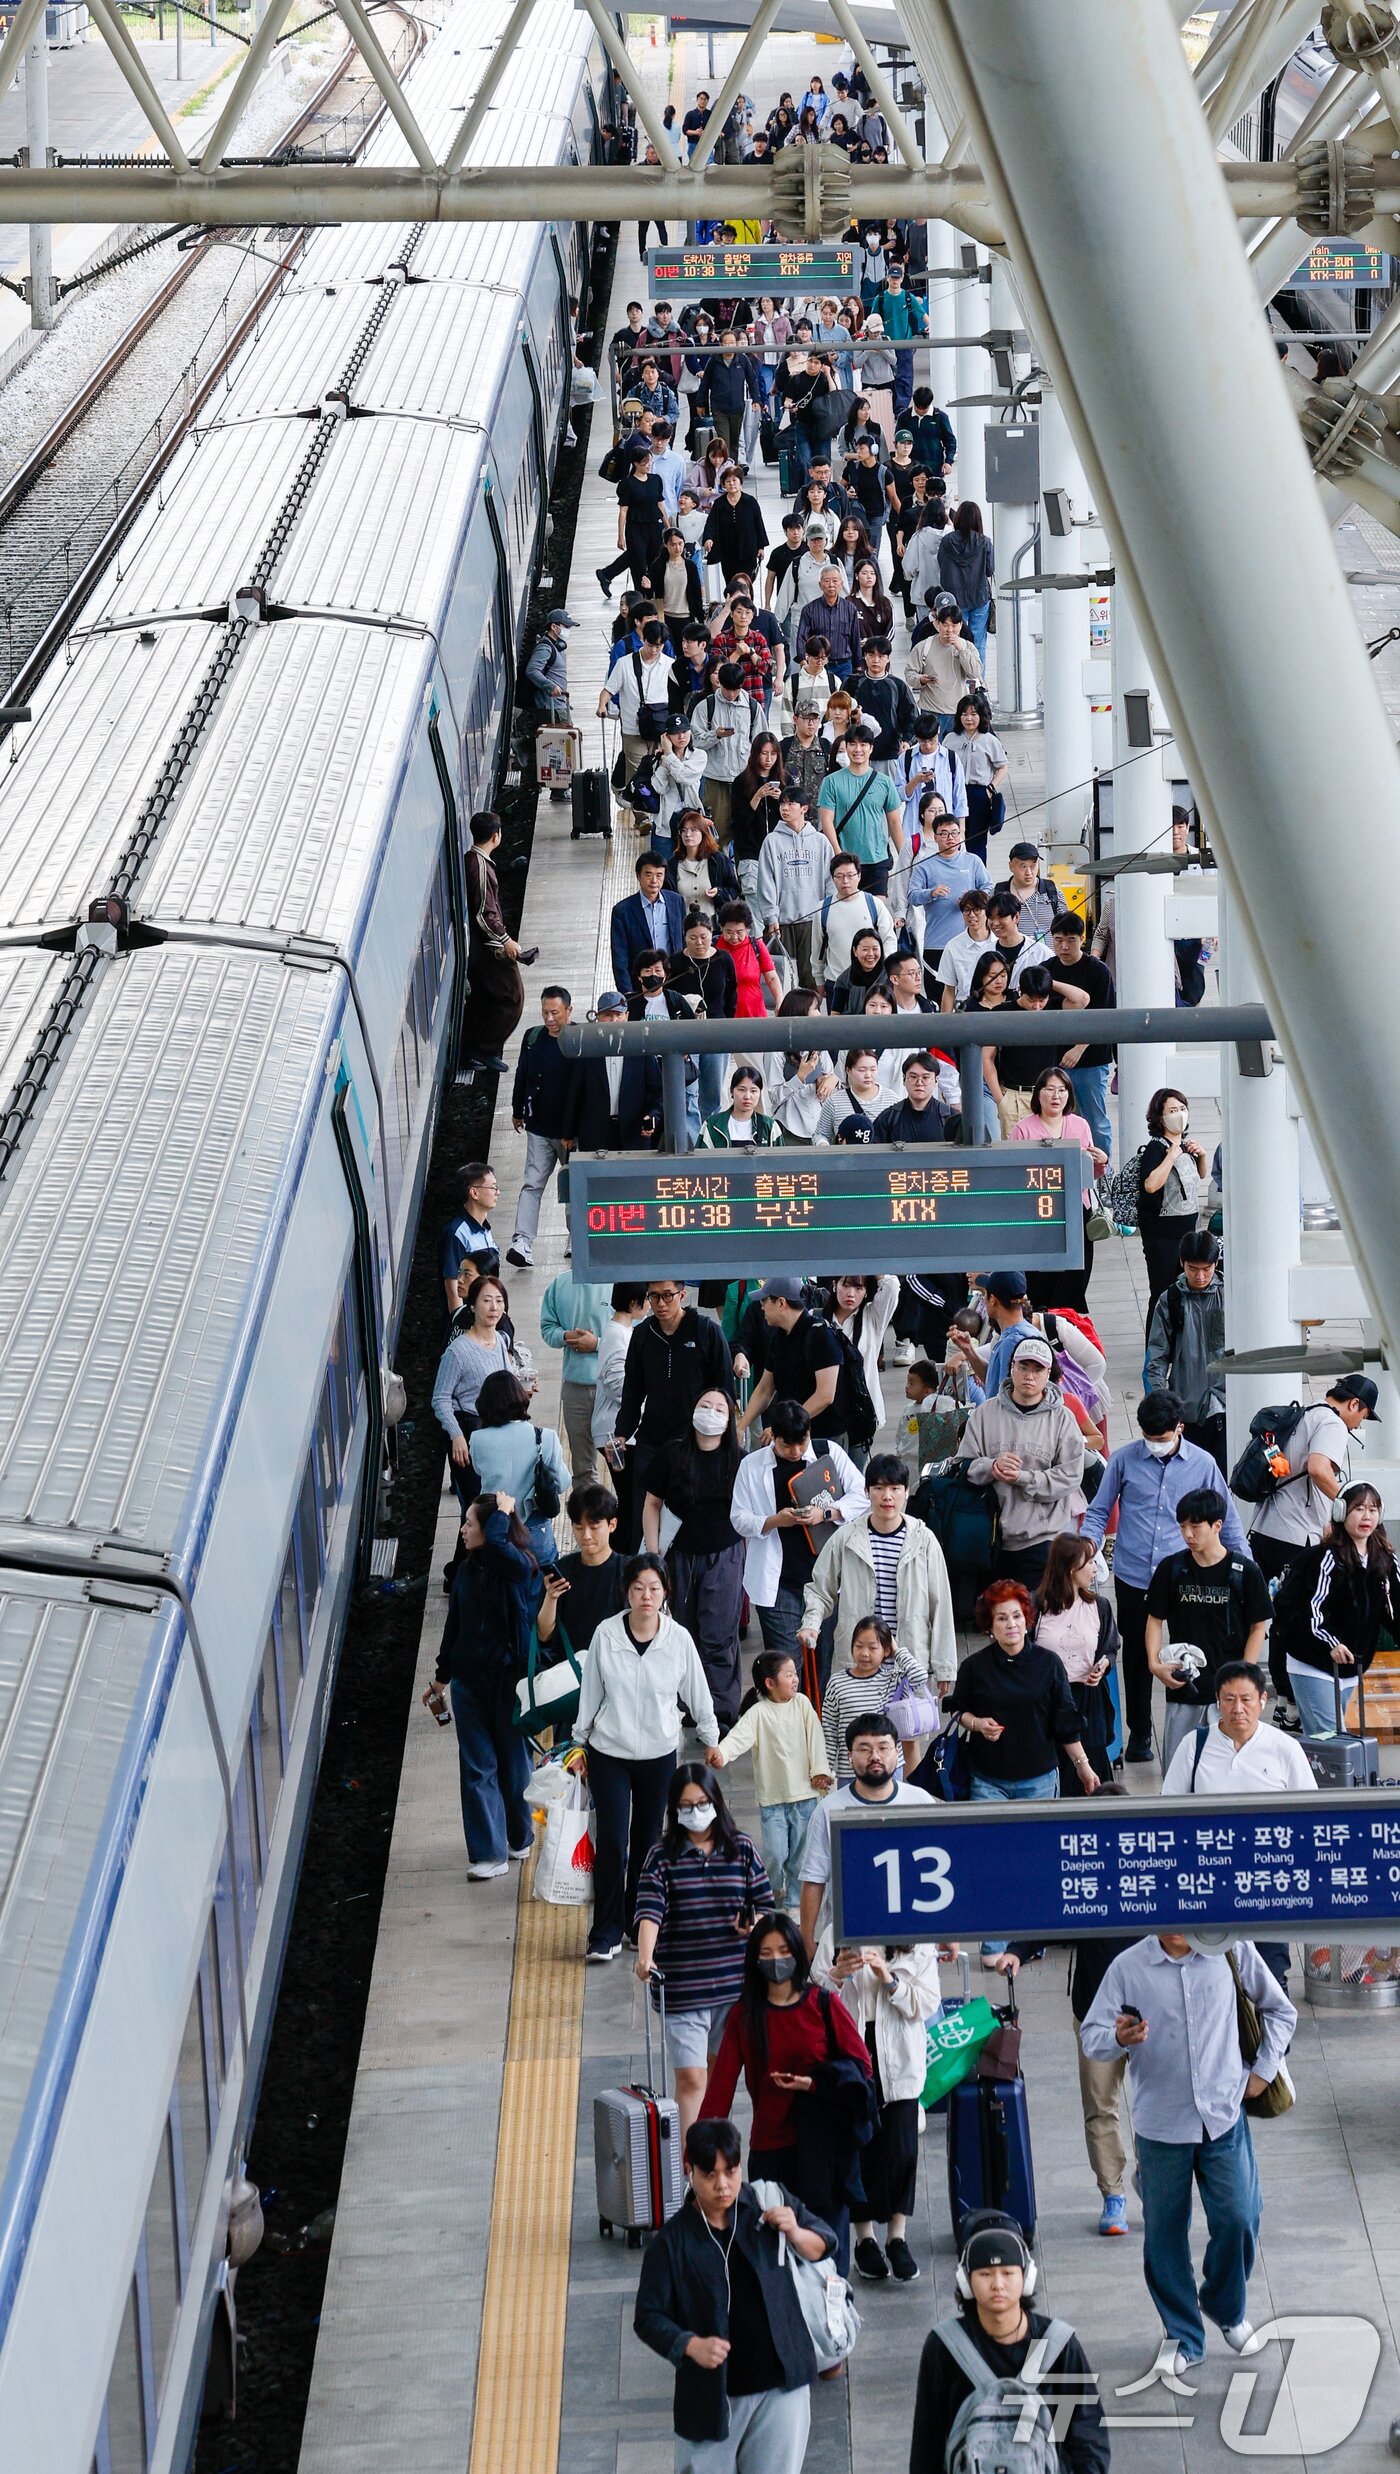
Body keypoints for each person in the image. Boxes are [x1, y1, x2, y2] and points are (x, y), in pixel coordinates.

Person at [1081, 1931, 1296, 2374]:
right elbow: (1092, 2036)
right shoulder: (1128, 1966)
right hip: (1161, 2125)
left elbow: (1281, 2010)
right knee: (1164, 2237)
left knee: (1240, 2216)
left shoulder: (1231, 1950)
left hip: (1223, 2113)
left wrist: (1263, 2070)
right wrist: (1120, 2038)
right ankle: (1184, 2337)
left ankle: (1224, 2304)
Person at [634, 2115, 837, 2474]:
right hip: (712, 2397)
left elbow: (824, 2243)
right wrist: (689, 2345)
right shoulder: (672, 2243)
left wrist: (794, 2232)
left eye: (731, 2171)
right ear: (690, 2170)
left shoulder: (767, 2203)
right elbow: (648, 2315)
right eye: (710, 2174)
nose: (723, 2185)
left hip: (781, 2385)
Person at [1081, 1389, 1250, 1765]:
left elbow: (1230, 1520)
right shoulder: (1123, 1460)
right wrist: (1086, 1548)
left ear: (1179, 1428)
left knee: (1193, 1654)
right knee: (1139, 1656)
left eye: (1162, 1438)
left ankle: (1196, 1728)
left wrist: (1246, 1570)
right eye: (1149, 1439)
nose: (1155, 1445)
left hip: (1187, 1577)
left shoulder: (1203, 1464)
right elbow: (1098, 1512)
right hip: (1135, 1576)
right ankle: (1140, 1731)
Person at [701, 1912, 871, 2272]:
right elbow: (720, 2090)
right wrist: (699, 2151)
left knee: (827, 2253)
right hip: (772, 2148)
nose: (776, 1961)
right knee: (776, 2256)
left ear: (797, 1952)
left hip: (825, 2149)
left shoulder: (824, 2005)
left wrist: (811, 2084)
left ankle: (832, 2321)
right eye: (765, 1953)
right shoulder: (744, 2016)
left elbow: (861, 2070)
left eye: (782, 1950)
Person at [575, 1554, 719, 1962]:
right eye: (638, 1588)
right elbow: (591, 1693)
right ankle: (604, 1932)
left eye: (654, 1589)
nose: (646, 1596)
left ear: (665, 1593)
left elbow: (697, 1694)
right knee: (613, 1841)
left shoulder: (678, 1640)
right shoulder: (606, 1635)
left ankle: (641, 1926)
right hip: (609, 1752)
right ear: (627, 1591)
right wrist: (578, 1743)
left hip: (658, 1754)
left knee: (648, 1841)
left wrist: (711, 1739)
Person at [910, 2215, 1109, 2473]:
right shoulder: (944, 2347)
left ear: (1026, 2277)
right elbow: (929, 2441)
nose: (998, 2285)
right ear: (966, 2282)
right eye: (985, 2274)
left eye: (1008, 2273)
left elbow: (1085, 2436)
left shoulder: (1059, 2345)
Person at [634, 1768, 773, 2132]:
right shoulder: (661, 1857)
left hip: (734, 1987)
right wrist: (645, 1957)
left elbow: (767, 1908)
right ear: (673, 1810)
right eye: (685, 1806)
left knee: (717, 2079)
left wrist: (752, 1924)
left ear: (717, 1803)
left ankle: (710, 2160)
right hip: (683, 1989)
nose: (695, 1812)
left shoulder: (741, 1849)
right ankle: (690, 2168)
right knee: (693, 2078)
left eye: (702, 1803)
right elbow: (650, 1911)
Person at [1160, 1661, 1317, 1986]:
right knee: (1213, 1979)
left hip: (1268, 1886)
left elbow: (1309, 1817)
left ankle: (1274, 2038)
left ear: (1263, 1700)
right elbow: (1168, 1814)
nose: (1238, 1709)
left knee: (1270, 1978)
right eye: (1229, 1700)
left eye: (1246, 1699)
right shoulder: (1194, 1746)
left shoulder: (1284, 1749)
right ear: (1218, 1701)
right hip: (1210, 1884)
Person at [812, 1927, 944, 2285]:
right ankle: (865, 2238)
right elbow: (815, 1995)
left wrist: (889, 1981)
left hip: (899, 2052)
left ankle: (897, 2236)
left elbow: (927, 2002)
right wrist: (838, 1974)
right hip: (852, 2048)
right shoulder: (837, 1931)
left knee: (902, 2148)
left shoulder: (914, 1933)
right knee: (858, 2147)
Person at [424, 1492, 542, 1879]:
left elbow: (498, 1547)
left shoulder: (518, 1566)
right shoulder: (465, 1572)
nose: (462, 1529)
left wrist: (504, 1512)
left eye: (470, 1523)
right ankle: (489, 1853)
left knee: (513, 1763)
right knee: (478, 1767)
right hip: (470, 1684)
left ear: (495, 1528)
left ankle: (519, 1836)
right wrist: (442, 1678)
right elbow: (453, 1625)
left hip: (509, 1680)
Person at [799, 1454, 956, 1694]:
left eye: (895, 1488)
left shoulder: (923, 1540)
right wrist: (811, 1624)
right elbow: (820, 1589)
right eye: (879, 1488)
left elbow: (941, 1604)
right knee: (858, 1729)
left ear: (905, 1491)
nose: (887, 1496)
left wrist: (944, 1666)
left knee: (905, 1729)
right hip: (858, 1662)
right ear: (867, 1491)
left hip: (907, 1661)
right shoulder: (846, 1537)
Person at [730, 1397, 867, 1662]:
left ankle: (819, 1706)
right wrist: (773, 1521)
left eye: (801, 1442)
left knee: (824, 1661)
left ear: (809, 1433)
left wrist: (826, 1513)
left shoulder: (828, 1453)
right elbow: (738, 1518)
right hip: (778, 1582)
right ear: (772, 1436)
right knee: (785, 1666)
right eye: (786, 1444)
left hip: (825, 1578)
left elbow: (862, 1495)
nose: (795, 1451)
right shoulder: (751, 1466)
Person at [644, 1388, 748, 1728]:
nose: (711, 1412)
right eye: (704, 1405)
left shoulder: (739, 1460)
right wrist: (654, 1555)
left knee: (719, 1634)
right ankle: (688, 1704)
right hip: (680, 1557)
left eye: (720, 1408)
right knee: (684, 1632)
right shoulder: (672, 1454)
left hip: (725, 1555)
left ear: (729, 1419)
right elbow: (652, 1505)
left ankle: (719, 1709)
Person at [948, 1577, 1100, 1811]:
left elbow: (1066, 1721)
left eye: (1017, 1616)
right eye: (1002, 1618)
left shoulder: (1049, 1663)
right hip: (987, 1780)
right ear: (989, 1625)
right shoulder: (974, 1666)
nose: (1011, 1624)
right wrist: (977, 1724)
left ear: (1027, 1620)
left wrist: (1083, 1766)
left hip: (1039, 1778)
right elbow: (957, 1710)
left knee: (1038, 1846)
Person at [1266, 1480, 1399, 1740]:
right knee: (1331, 1739)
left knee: (1329, 1740)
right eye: (1358, 1508)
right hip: (1313, 1661)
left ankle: (1315, 1778)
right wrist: (1332, 1642)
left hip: (1351, 1664)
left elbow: (1393, 1608)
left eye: (1373, 1510)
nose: (1366, 1516)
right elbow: (1311, 1609)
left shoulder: (1384, 1558)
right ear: (1340, 1512)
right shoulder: (1326, 1558)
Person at [955, 1334, 1086, 1591]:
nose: (1029, 1375)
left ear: (1048, 1373)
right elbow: (963, 1465)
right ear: (1011, 1367)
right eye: (1023, 1367)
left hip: (1042, 1539)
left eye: (1038, 1369)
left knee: (1037, 1619)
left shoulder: (1063, 1418)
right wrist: (991, 1467)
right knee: (998, 1621)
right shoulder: (985, 1413)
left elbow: (1070, 1476)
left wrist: (1024, 1478)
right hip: (990, 1537)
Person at [798, 1712, 935, 1956]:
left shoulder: (920, 1801)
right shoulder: (829, 1809)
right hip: (849, 1941)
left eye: (883, 1747)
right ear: (849, 1756)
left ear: (896, 1752)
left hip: (914, 1937)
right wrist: (807, 1940)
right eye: (864, 1749)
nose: (875, 1757)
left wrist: (948, 1933)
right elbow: (814, 1879)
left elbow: (940, 1868)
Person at [709, 1649, 831, 1909]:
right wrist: (722, 1753)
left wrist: (821, 1770)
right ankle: (770, 1889)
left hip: (805, 1795)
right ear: (770, 1683)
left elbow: (816, 1739)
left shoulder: (802, 1705)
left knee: (800, 1856)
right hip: (772, 1799)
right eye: (789, 1675)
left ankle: (795, 1903)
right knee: (775, 1853)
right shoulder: (758, 1713)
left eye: (795, 1674)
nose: (795, 1679)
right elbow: (738, 1737)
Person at [616, 1278, 735, 1511]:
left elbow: (724, 1391)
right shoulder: (642, 1335)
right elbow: (633, 1390)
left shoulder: (707, 1331)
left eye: (667, 1295)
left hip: (694, 1440)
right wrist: (622, 1432)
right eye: (654, 1296)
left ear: (682, 1295)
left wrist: (724, 1437)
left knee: (690, 1512)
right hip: (652, 1439)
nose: (661, 1303)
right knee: (644, 1509)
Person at [1033, 1533, 1120, 1793]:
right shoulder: (1036, 1606)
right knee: (1053, 1765)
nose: (1095, 1567)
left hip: (1087, 1699)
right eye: (1090, 1562)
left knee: (1093, 1769)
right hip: (1047, 1700)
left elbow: (1110, 1649)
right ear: (1071, 1568)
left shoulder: (1100, 1606)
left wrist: (1103, 1665)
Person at [466, 1372, 569, 1567]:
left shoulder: (477, 1439)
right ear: (521, 1397)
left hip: (496, 1528)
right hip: (536, 1531)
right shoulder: (546, 1437)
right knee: (543, 1588)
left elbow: (479, 1471)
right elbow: (562, 1484)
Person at [506, 988, 576, 1269]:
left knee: (572, 1186)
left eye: (555, 1013)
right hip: (539, 1127)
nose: (549, 1018)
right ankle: (522, 1241)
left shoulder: (581, 1039)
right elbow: (522, 1072)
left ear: (568, 1011)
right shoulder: (533, 1038)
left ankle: (577, 1237)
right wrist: (516, 1109)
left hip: (572, 1132)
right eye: (545, 1012)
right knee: (532, 1184)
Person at [1144, 1232, 1227, 1468]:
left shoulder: (1231, 1294)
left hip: (1228, 1406)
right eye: (1193, 1269)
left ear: (1216, 1264)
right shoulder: (1169, 1301)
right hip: (1188, 1411)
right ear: (1181, 1262)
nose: (1200, 1276)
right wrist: (1161, 1404)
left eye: (1207, 1269)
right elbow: (1157, 1358)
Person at [432, 1272, 518, 1495]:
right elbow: (440, 1398)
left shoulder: (499, 1340)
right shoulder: (457, 1352)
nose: (494, 1308)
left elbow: (505, 1383)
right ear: (471, 1306)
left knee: (497, 1502)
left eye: (499, 1301)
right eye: (486, 1300)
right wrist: (456, 1435)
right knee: (477, 1507)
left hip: (499, 1429)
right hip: (472, 1432)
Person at [820, 1616, 932, 1781]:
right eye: (859, 1646)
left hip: (889, 1767)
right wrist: (825, 1769)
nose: (864, 1653)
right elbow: (829, 1732)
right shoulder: (837, 1682)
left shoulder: (893, 1679)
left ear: (886, 1651)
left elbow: (920, 1676)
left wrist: (896, 1650)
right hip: (851, 1770)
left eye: (873, 1648)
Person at [1137, 1086, 1210, 1335]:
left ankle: (1180, 1342)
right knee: (1162, 1293)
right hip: (1162, 1236)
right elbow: (1150, 1184)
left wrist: (1200, 1156)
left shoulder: (1186, 1146)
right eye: (1172, 1110)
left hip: (1187, 1232)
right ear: (1159, 1117)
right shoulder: (1156, 1148)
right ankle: (1155, 1349)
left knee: (1186, 1291)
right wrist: (1170, 1156)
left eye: (1182, 1109)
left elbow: (1199, 1176)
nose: (1179, 1114)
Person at [1045, 908, 1115, 1160]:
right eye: (1058, 940)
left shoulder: (1098, 971)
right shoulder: (1046, 970)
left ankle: (1103, 1173)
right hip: (1054, 1059)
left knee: (1095, 1119)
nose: (1064, 946)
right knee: (1056, 1120)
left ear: (1082, 939)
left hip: (1091, 1060)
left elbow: (1103, 1016)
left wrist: (1078, 1048)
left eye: (1071, 940)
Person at [535, 1480, 627, 1668]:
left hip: (616, 1671)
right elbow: (544, 1635)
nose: (585, 1535)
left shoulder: (627, 1571)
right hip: (570, 1676)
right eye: (578, 1527)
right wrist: (550, 1599)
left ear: (612, 1525)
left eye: (594, 1527)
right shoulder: (562, 1571)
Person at [459, 810, 523, 1075]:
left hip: (477, 946)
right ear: (496, 836)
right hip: (487, 948)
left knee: (485, 999)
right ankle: (484, 1050)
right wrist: (505, 940)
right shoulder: (480, 866)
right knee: (512, 997)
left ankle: (476, 1048)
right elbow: (484, 913)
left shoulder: (472, 860)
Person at [565, 989, 662, 1152]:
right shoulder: (587, 1051)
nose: (614, 1021)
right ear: (598, 1018)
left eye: (618, 1015)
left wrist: (652, 1116)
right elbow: (575, 1093)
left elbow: (657, 1091)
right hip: (595, 1135)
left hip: (634, 1134)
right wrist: (568, 1133)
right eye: (608, 1015)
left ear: (627, 1016)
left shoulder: (642, 1051)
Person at [754, 778, 828, 990]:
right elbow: (766, 881)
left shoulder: (820, 841)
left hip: (812, 918)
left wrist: (825, 913)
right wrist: (771, 916)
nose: (785, 808)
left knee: (811, 976)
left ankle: (811, 1019)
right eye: (782, 804)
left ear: (804, 808)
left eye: (791, 804)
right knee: (782, 978)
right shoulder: (772, 840)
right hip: (781, 920)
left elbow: (829, 880)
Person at [816, 721, 904, 896]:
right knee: (848, 913)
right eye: (853, 744)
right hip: (845, 861)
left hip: (877, 859)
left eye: (863, 744)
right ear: (846, 747)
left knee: (876, 912)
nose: (858, 749)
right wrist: (838, 853)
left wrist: (904, 856)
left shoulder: (884, 782)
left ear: (871, 748)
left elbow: (894, 822)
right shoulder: (831, 782)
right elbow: (827, 821)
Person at [538, 1271, 610, 1477]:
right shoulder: (560, 1284)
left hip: (612, 1387)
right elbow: (548, 1329)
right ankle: (588, 1509)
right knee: (582, 1466)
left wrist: (596, 1343)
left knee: (619, 1460)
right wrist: (565, 1336)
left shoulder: (616, 1281)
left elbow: (632, 1335)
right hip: (575, 1388)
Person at [907, 811, 990, 976]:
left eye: (954, 833)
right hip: (937, 943)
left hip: (972, 940)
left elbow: (989, 888)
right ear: (935, 837)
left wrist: (974, 897)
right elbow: (912, 896)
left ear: (960, 835)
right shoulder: (924, 866)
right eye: (943, 834)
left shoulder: (973, 861)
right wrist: (931, 893)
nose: (950, 838)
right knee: (938, 995)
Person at [692, 665, 761, 842]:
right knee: (717, 835)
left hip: (745, 779)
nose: (731, 695)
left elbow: (761, 743)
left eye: (736, 690)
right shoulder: (705, 706)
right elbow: (695, 743)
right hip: (716, 780)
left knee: (746, 833)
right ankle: (721, 868)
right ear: (719, 683)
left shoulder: (753, 707)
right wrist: (715, 735)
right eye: (728, 690)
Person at [904, 593, 984, 731]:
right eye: (945, 625)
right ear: (937, 624)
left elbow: (975, 672)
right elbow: (909, 673)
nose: (949, 630)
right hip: (930, 710)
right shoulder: (924, 646)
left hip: (958, 711)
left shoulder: (967, 646)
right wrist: (921, 679)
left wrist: (961, 649)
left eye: (954, 625)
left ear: (960, 625)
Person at [611, 850, 687, 994]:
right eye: (648, 874)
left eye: (659, 875)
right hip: (640, 983)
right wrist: (627, 993)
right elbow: (619, 956)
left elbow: (683, 942)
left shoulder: (676, 901)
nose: (654, 881)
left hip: (673, 980)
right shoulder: (622, 910)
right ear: (638, 876)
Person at [598, 440, 666, 598]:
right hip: (635, 528)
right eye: (644, 463)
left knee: (652, 558)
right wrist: (620, 536)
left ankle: (606, 574)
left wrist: (668, 528)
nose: (648, 465)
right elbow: (623, 511)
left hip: (653, 526)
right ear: (635, 463)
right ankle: (642, 595)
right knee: (638, 561)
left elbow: (661, 505)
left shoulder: (656, 480)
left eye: (649, 462)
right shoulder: (627, 484)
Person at [727, 730, 785, 901]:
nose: (769, 759)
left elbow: (793, 820)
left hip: (779, 854)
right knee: (755, 909)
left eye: (773, 754)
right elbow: (739, 822)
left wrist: (782, 800)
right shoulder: (742, 782)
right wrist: (757, 796)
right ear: (755, 754)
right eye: (764, 753)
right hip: (751, 854)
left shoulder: (785, 780)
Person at [439, 1160, 500, 1315]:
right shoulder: (456, 1233)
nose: (497, 1192)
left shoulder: (485, 1230)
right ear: (474, 1193)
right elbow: (453, 1287)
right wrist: (460, 1326)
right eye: (493, 1187)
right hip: (471, 1324)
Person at [939, 500, 995, 655]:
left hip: (955, 598)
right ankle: (978, 677)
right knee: (978, 642)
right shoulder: (985, 542)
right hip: (980, 596)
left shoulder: (946, 541)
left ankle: (958, 676)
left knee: (954, 639)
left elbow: (941, 566)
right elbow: (990, 570)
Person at [716, 901, 783, 1028]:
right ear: (721, 928)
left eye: (740, 932)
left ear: (748, 929)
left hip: (753, 1013)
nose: (734, 937)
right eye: (729, 932)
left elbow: (772, 977)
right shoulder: (714, 947)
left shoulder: (756, 945)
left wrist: (779, 1002)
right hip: (723, 1016)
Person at [667, 812, 739, 923]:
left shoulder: (718, 860)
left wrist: (718, 892)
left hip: (712, 927)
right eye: (684, 830)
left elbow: (734, 889)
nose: (688, 834)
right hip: (682, 927)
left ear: (703, 833)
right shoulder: (672, 864)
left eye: (693, 830)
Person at [699, 341, 762, 466]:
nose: (730, 345)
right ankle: (724, 468)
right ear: (721, 344)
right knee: (724, 441)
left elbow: (752, 380)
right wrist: (701, 403)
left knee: (734, 442)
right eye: (726, 343)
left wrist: (756, 399)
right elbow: (705, 383)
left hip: (737, 407)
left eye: (732, 342)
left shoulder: (742, 359)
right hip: (719, 408)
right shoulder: (714, 360)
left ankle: (732, 467)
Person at [872, 1049, 954, 1145]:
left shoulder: (950, 1117)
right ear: (904, 1079)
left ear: (936, 1080)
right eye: (913, 1077)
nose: (919, 1083)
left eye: (926, 1077)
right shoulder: (888, 1118)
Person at [795, 566, 865, 678]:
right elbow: (801, 638)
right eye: (827, 581)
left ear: (841, 584)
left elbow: (855, 638)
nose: (831, 585)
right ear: (820, 585)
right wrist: (804, 662)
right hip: (819, 664)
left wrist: (858, 666)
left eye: (835, 581)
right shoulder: (809, 609)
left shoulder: (850, 608)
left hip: (844, 664)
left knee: (843, 694)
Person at [652, 713, 708, 852]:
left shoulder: (699, 755)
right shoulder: (660, 757)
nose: (681, 737)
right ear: (667, 736)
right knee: (664, 867)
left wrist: (670, 756)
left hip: (691, 818)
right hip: (665, 821)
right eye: (676, 733)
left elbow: (684, 777)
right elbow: (659, 787)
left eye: (684, 731)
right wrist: (664, 762)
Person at [523, 605, 578, 721]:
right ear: (554, 627)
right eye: (566, 626)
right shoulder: (545, 648)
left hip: (559, 705)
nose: (568, 630)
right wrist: (551, 686)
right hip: (551, 708)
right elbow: (532, 670)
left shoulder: (558, 646)